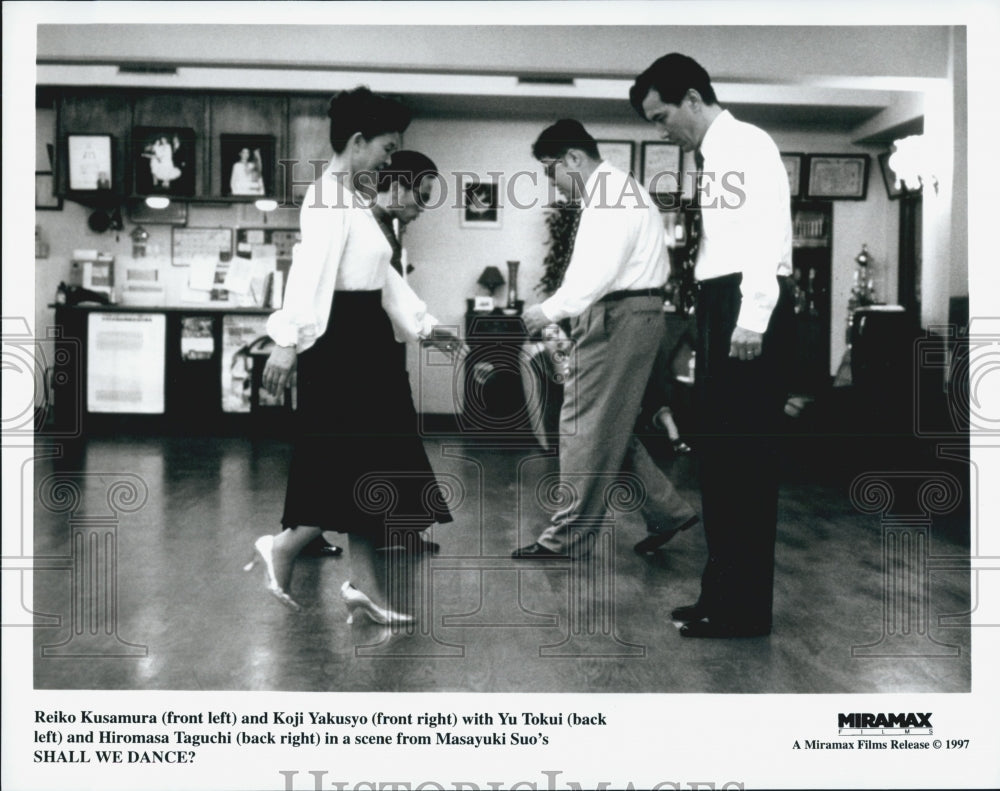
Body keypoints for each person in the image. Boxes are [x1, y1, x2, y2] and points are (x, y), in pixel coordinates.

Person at [245, 87, 455, 625]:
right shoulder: (327, 199)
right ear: (358, 142)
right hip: (341, 348)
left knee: (373, 467)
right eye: (387, 147)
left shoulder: (354, 201)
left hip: (366, 344)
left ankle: (364, 586)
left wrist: (427, 326)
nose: (391, 158)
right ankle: (285, 547)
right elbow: (309, 273)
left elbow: (380, 278)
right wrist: (287, 342)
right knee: (350, 467)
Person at [630, 53, 795, 638]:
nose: (660, 128)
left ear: (694, 98)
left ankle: (743, 611)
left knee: (744, 465)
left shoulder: (748, 145)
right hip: (720, 302)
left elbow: (765, 237)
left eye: (661, 114)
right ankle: (719, 596)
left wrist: (750, 318)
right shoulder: (715, 154)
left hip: (744, 307)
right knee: (720, 461)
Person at [512, 119, 699, 561]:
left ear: (574, 158)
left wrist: (546, 311)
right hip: (629, 314)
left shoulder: (610, 197)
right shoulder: (618, 190)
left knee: (580, 425)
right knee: (607, 425)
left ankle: (565, 538)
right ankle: (667, 511)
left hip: (619, 315)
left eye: (550, 170)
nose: (551, 184)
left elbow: (594, 274)